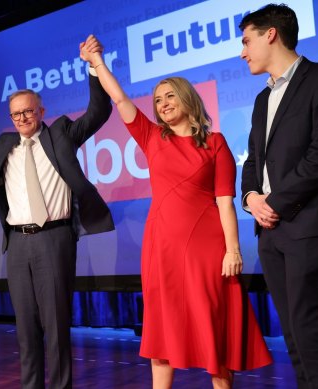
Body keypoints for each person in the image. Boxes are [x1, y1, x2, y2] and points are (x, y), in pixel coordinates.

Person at [79, 34, 272, 389]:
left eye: (170, 96)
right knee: (162, 331)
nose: (163, 104)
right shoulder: (152, 137)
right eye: (157, 100)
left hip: (207, 248)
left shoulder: (215, 143)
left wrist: (233, 250)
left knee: (214, 327)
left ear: (187, 99)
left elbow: (225, 202)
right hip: (162, 246)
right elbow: (119, 97)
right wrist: (98, 63)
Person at [0, 40, 114, 389]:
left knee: (55, 324)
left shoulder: (60, 134)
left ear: (41, 112)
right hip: (17, 244)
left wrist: (93, 66)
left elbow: (98, 112)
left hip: (55, 237)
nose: (23, 119)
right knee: (26, 326)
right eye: (16, 114)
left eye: (28, 112)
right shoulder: (4, 145)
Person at [238, 4, 318, 388]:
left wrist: (273, 203)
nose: (242, 52)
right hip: (271, 229)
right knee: (293, 334)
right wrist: (250, 198)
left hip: (311, 221)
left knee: (311, 330)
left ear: (270, 34)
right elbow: (253, 162)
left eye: (247, 40)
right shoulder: (263, 99)